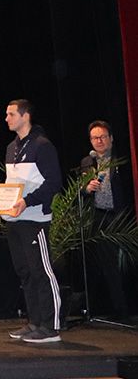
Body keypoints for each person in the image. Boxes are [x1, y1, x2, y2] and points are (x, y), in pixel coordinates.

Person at [0, 99, 62, 343]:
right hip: (15, 220)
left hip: (36, 219)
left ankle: (51, 327)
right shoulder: (11, 148)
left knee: (41, 271)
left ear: (25, 116)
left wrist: (28, 201)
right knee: (25, 272)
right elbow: (12, 184)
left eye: (11, 114)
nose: (7, 118)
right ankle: (35, 322)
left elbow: (53, 182)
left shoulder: (42, 145)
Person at [80, 120, 132, 320]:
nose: (99, 141)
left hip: (121, 216)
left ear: (111, 138)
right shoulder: (88, 162)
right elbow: (79, 191)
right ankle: (115, 308)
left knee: (125, 262)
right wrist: (86, 188)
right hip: (99, 217)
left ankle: (129, 306)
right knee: (106, 263)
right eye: (95, 138)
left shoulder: (122, 159)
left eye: (102, 137)